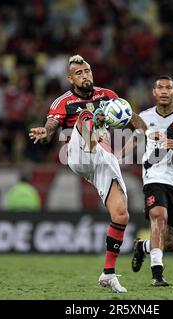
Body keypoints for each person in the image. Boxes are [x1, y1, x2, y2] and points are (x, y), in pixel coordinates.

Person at [28, 55, 150, 293]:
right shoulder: (62, 102)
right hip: (78, 152)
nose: (85, 75)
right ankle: (96, 140)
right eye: (79, 73)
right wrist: (46, 131)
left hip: (102, 157)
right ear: (70, 78)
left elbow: (137, 123)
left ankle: (108, 273)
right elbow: (52, 124)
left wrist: (141, 127)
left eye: (87, 71)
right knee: (86, 115)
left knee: (121, 214)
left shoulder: (108, 95)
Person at [125, 76, 173, 286]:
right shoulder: (145, 116)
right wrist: (116, 156)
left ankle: (143, 248)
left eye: (169, 88)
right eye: (160, 88)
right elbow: (135, 140)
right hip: (153, 175)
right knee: (159, 217)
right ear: (154, 93)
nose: (165, 91)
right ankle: (157, 275)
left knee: (171, 241)